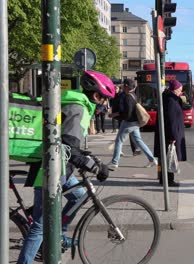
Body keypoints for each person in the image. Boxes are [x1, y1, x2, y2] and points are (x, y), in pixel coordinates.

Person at [17, 71, 114, 264]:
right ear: (96, 96)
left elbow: (66, 144)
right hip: (49, 171)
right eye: (105, 99)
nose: (105, 104)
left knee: (79, 196)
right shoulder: (78, 108)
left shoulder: (74, 103)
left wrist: (86, 157)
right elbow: (68, 148)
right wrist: (96, 167)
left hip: (60, 168)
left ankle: (58, 235)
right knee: (40, 225)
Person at [108, 79, 157, 168]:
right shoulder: (134, 95)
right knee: (138, 141)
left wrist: (115, 114)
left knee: (119, 141)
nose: (122, 87)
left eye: (123, 85)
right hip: (135, 122)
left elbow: (127, 113)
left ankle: (114, 162)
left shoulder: (127, 97)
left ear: (126, 87)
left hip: (129, 122)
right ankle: (152, 159)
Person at [155, 80, 187, 187]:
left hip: (167, 134)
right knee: (169, 157)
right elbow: (171, 120)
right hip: (170, 135)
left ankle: (164, 179)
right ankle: (168, 180)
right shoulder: (171, 101)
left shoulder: (169, 98)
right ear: (175, 89)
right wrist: (173, 136)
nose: (181, 92)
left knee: (167, 157)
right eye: (180, 90)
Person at [109, 85, 141, 155]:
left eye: (116, 88)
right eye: (114, 88)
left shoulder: (124, 95)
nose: (115, 89)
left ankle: (116, 159)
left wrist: (117, 114)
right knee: (134, 137)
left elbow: (124, 107)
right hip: (123, 117)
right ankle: (138, 150)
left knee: (120, 139)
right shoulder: (115, 95)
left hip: (125, 118)